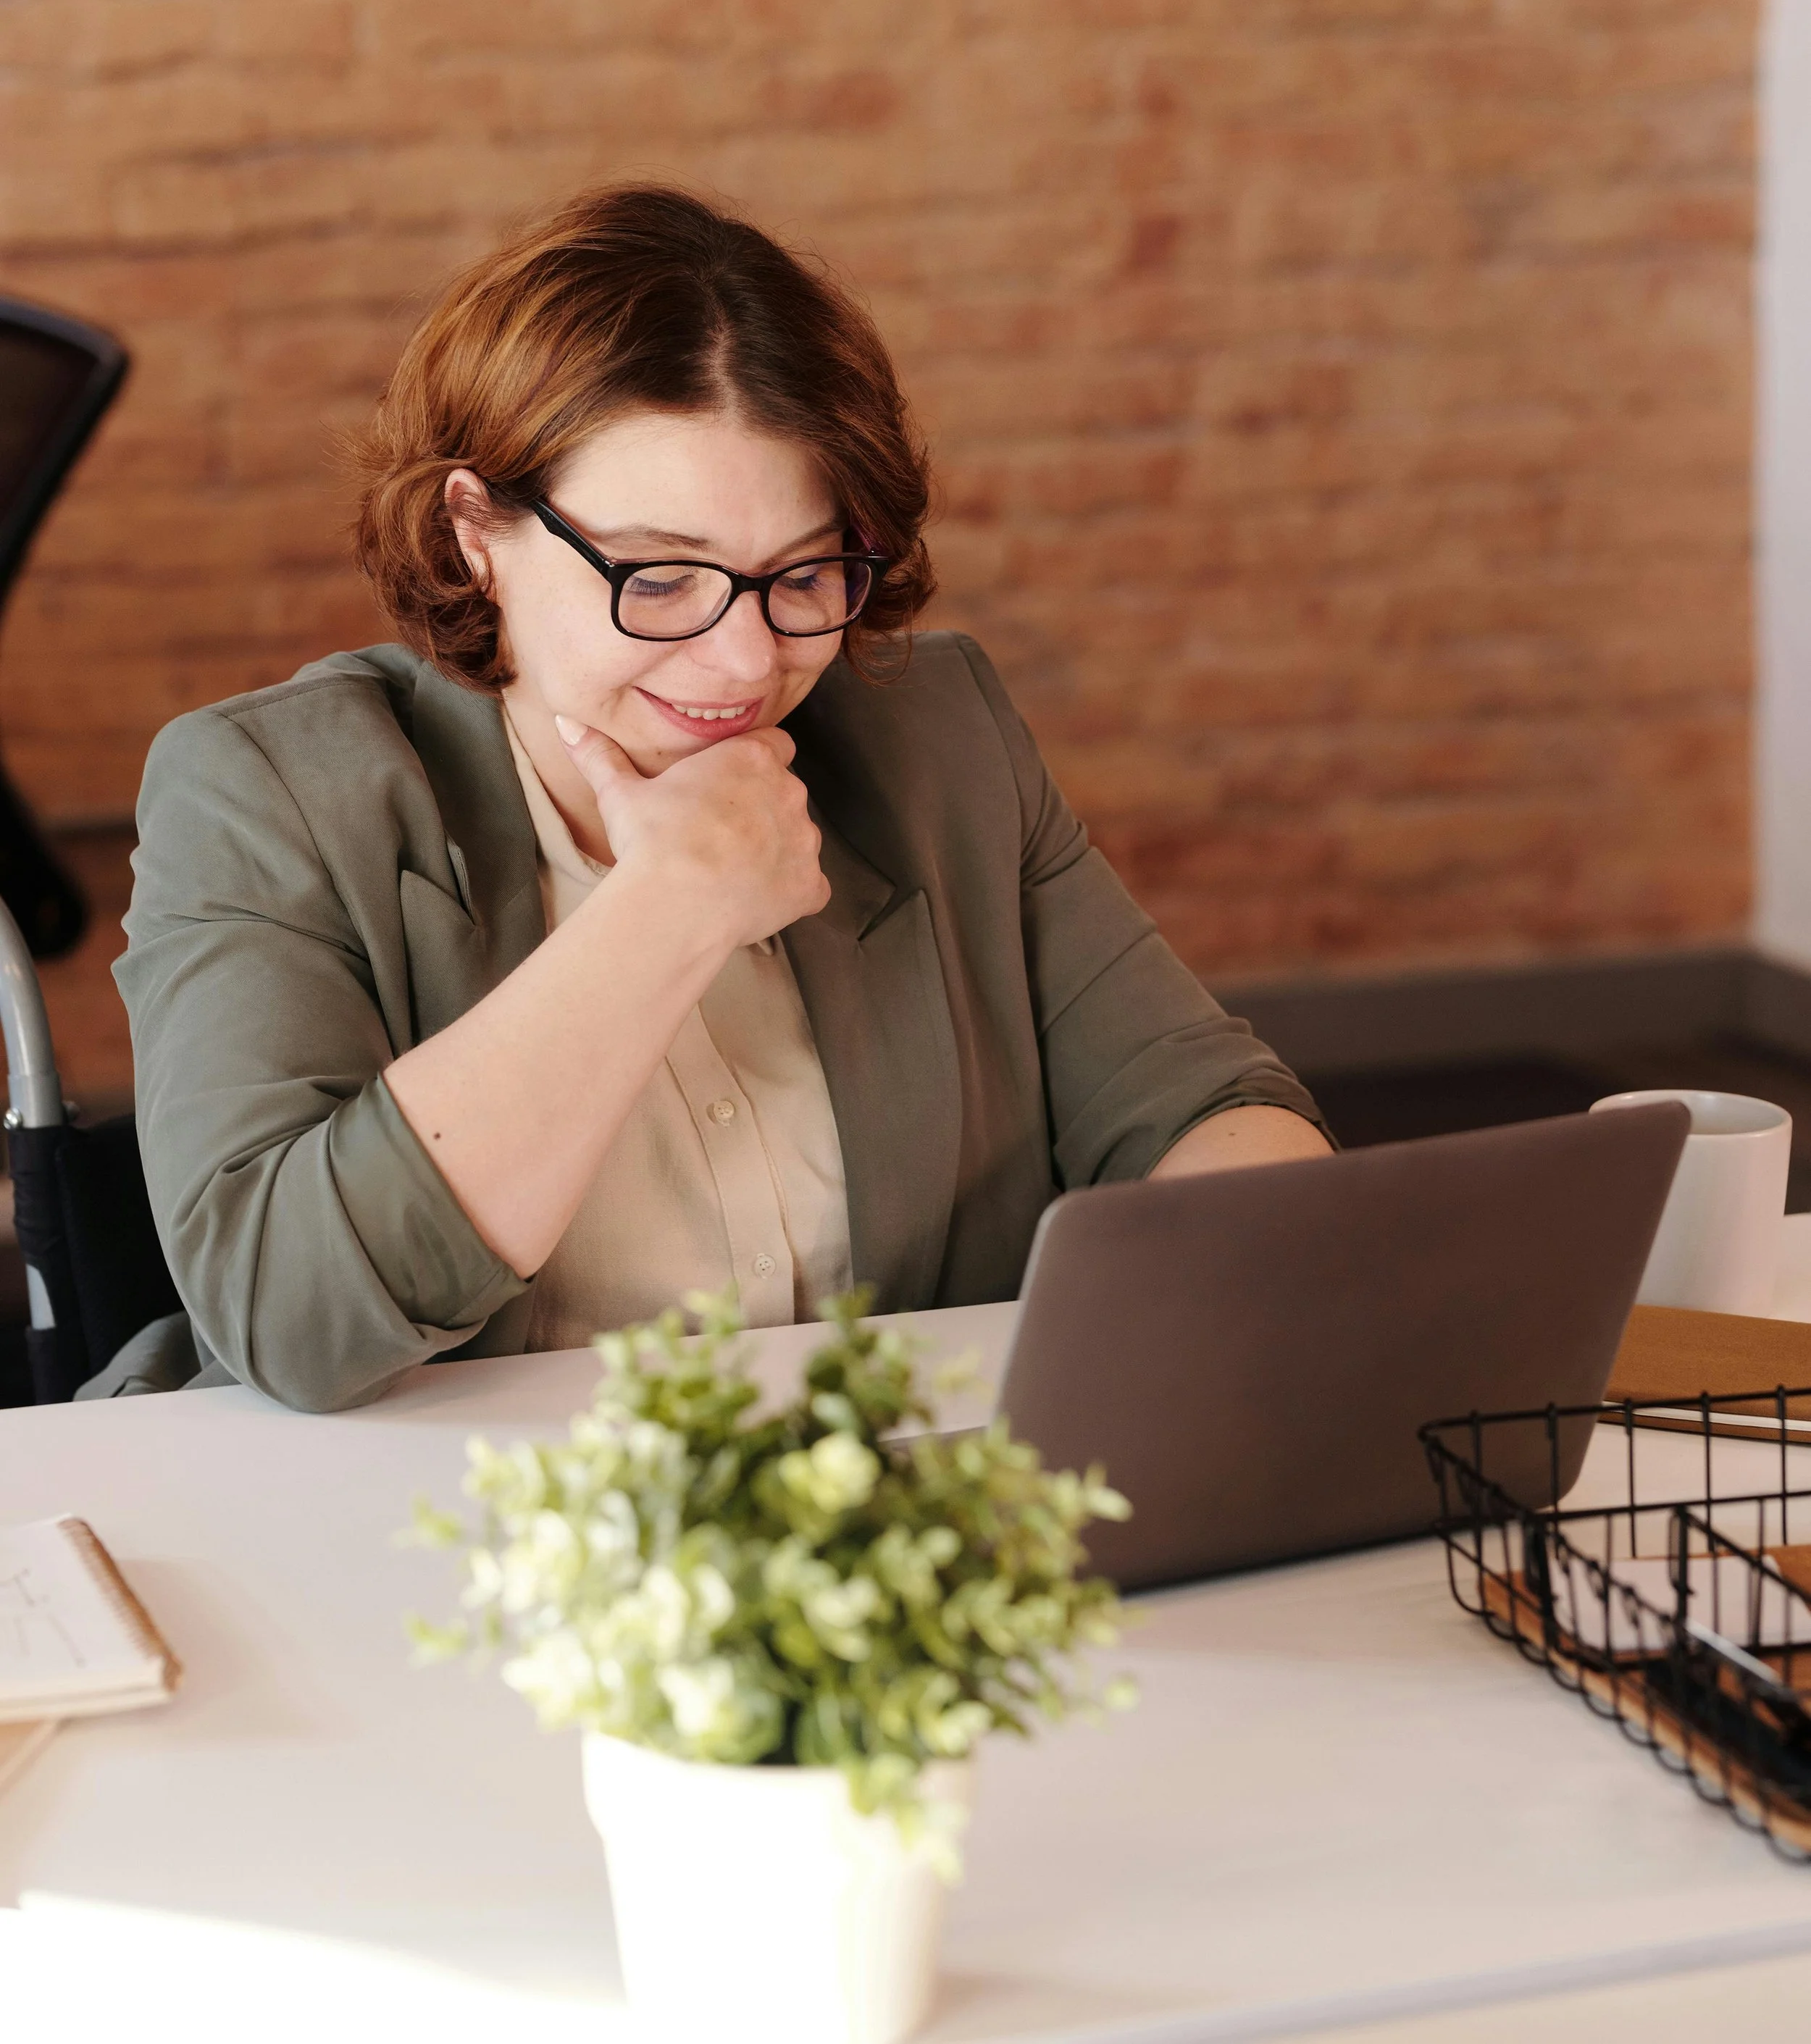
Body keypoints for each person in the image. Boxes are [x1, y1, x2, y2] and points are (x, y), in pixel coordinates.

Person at [113, 185, 1330, 1412]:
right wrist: (669, 909)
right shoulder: (267, 794)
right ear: (475, 528)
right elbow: (286, 1309)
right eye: (660, 575)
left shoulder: (937, 736)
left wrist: (1279, 1278)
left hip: (888, 1527)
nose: (749, 661)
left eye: (803, 571)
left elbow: (1206, 1107)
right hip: (445, 1542)